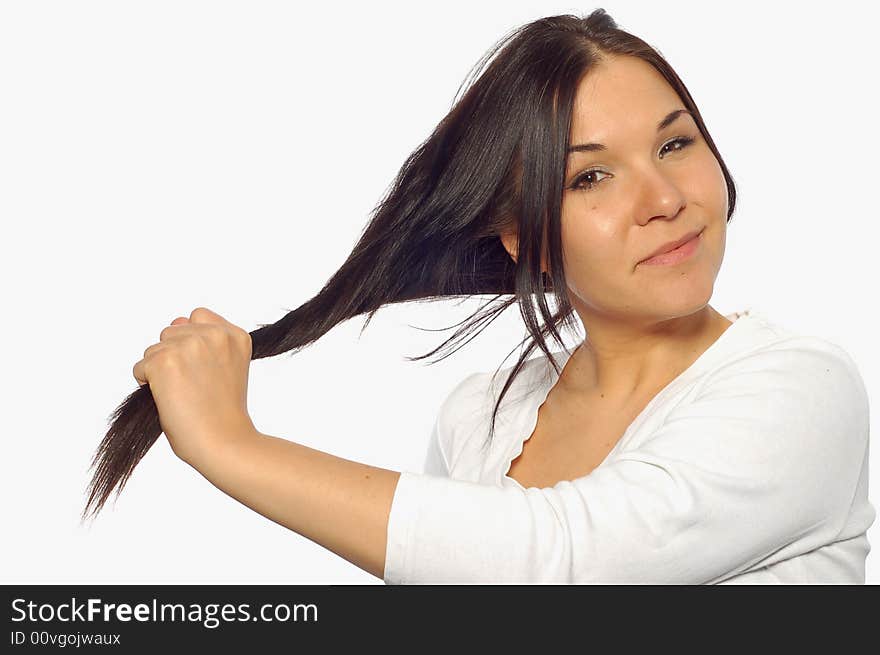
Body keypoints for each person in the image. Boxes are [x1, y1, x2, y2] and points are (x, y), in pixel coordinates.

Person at [87, 10, 874, 584]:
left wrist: (234, 447)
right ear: (520, 235)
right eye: (591, 175)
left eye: (675, 143)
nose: (664, 197)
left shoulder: (802, 387)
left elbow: (563, 562)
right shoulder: (482, 413)